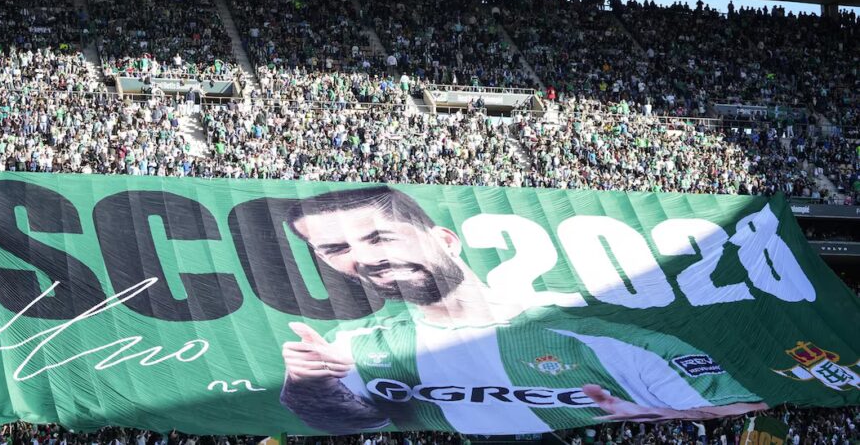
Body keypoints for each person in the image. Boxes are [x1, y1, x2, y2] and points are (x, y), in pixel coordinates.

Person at [279, 186, 767, 434]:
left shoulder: (615, 341)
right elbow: (357, 422)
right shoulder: (350, 346)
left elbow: (748, 410)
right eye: (335, 249)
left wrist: (661, 415)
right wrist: (308, 388)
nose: (365, 259)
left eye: (378, 237)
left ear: (445, 239)